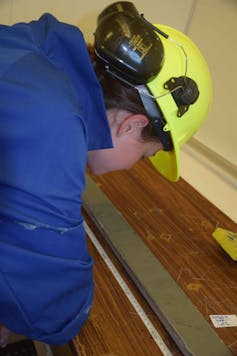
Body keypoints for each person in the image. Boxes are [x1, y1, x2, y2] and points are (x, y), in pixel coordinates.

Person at [0, 1, 212, 347]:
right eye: (146, 156)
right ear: (133, 124)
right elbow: (53, 306)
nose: (131, 168)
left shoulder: (35, 50)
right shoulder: (53, 120)